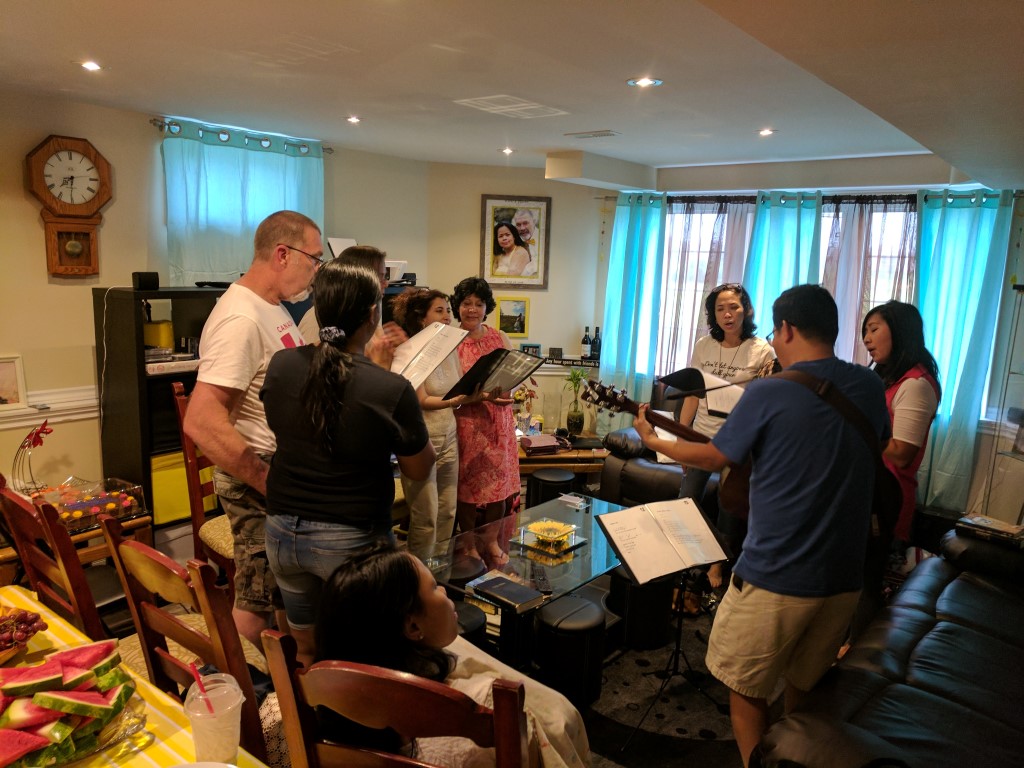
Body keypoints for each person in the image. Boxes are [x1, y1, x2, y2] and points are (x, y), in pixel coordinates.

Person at [634, 285, 889, 767]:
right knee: (805, 687)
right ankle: (797, 759)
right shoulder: (869, 386)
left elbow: (714, 457)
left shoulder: (769, 390)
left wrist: (654, 439)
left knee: (745, 688)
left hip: (778, 573)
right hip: (844, 575)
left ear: (785, 329)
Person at [260, 261, 435, 663]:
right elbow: (418, 468)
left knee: (306, 647)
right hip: (351, 538)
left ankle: (308, 702)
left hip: (282, 530)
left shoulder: (282, 364)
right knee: (365, 654)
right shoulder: (389, 387)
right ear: (373, 314)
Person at [316, 541, 591, 767]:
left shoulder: (328, 696)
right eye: (434, 587)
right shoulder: (479, 708)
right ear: (413, 627)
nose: (445, 589)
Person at [183, 210, 317, 648]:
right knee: (257, 597)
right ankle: (237, 679)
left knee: (277, 593)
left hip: (282, 469)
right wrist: (267, 480)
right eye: (313, 259)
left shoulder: (272, 306)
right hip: (259, 476)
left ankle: (282, 678)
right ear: (283, 254)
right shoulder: (241, 319)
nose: (316, 270)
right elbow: (202, 421)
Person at [676, 283, 775, 588]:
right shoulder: (704, 345)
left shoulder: (762, 350)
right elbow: (693, 393)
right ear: (713, 314)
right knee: (685, 501)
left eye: (734, 307)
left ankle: (717, 564)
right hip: (702, 437)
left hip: (738, 443)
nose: (727, 314)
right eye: (720, 309)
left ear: (747, 310)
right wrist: (682, 436)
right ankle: (689, 557)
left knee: (728, 506)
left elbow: (766, 400)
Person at [389, 288, 486, 557]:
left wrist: (481, 394)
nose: (447, 316)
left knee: (447, 512)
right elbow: (420, 399)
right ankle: (420, 576)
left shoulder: (450, 348)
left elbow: (459, 387)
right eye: (439, 310)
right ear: (422, 318)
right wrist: (457, 401)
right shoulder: (410, 351)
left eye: (447, 310)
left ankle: (440, 572)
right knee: (426, 518)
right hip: (423, 441)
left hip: (449, 436)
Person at [861, 301, 941, 543]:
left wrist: (857, 429)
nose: (866, 339)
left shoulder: (915, 385)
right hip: (872, 494)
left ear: (900, 330)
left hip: (889, 500)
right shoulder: (889, 379)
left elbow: (902, 454)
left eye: (874, 329)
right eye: (865, 332)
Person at [451, 277, 518, 552]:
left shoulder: (499, 336)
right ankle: (468, 544)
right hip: (467, 422)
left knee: (498, 487)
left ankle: (491, 542)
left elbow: (514, 374)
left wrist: (509, 391)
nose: (472, 309)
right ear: (458, 306)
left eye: (479, 304)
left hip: (498, 421)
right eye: (467, 303)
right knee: (467, 489)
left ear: (486, 307)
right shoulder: (451, 341)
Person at [297, 244, 407, 368]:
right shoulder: (322, 319)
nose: (385, 284)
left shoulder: (368, 311)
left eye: (384, 277)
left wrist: (389, 346)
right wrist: (380, 367)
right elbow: (315, 370)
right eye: (379, 277)